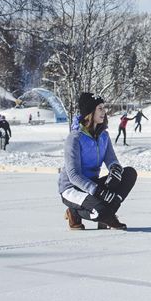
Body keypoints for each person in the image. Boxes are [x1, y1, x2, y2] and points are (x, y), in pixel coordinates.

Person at [58, 92, 137, 230]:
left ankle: (108, 214)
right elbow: (73, 175)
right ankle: (74, 211)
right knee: (100, 211)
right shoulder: (75, 138)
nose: (104, 112)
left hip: (93, 186)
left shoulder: (103, 136)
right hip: (72, 188)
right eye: (100, 108)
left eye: (104, 108)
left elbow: (112, 160)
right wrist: (98, 191)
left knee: (129, 173)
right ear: (90, 112)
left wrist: (115, 171)